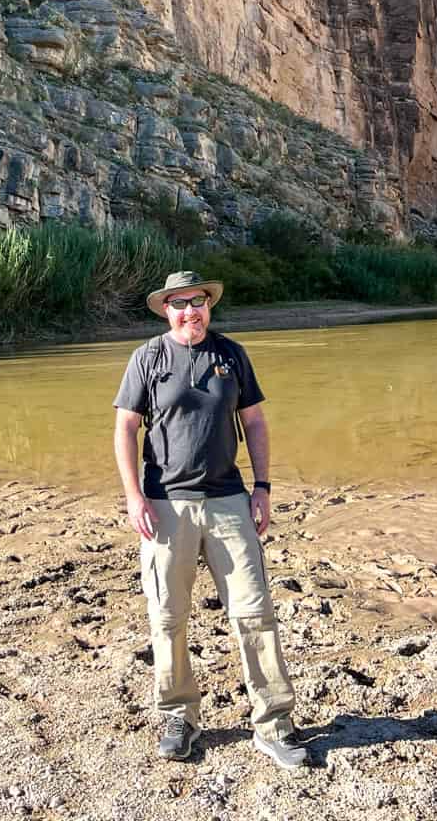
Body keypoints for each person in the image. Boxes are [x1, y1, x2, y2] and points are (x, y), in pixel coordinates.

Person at [113, 269, 308, 770]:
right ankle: (180, 716)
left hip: (228, 501)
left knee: (255, 613)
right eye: (179, 304)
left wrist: (262, 487)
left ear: (208, 306)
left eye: (197, 302)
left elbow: (256, 422)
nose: (189, 312)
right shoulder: (147, 358)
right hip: (165, 506)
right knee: (167, 616)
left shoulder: (231, 354)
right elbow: (126, 429)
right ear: (165, 311)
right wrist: (134, 496)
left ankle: (273, 724)